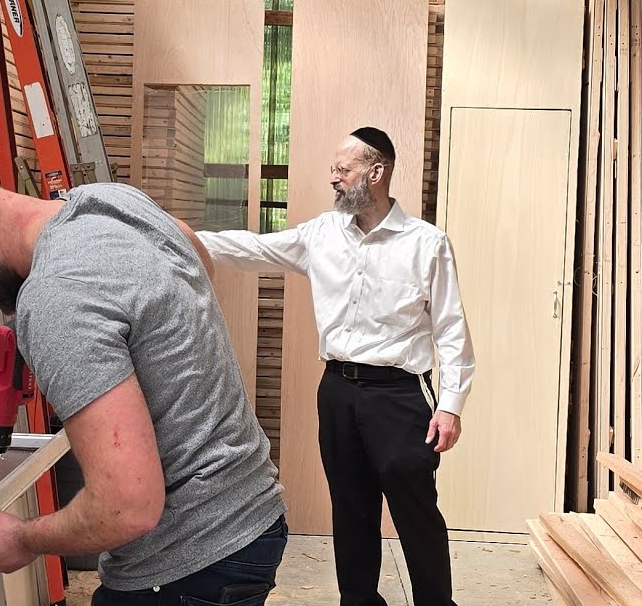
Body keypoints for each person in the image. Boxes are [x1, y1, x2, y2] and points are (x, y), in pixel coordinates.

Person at [0, 156, 288, 605]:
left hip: (189, 559)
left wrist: (21, 540)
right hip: (252, 511)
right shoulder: (110, 200)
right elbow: (191, 247)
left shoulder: (56, 296)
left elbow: (126, 507)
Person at [194, 127, 475, 606]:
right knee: (351, 509)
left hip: (401, 395)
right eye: (334, 170)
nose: (334, 179)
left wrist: (450, 406)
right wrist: (185, 238)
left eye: (343, 170)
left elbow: (451, 329)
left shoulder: (426, 244)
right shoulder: (321, 234)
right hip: (338, 391)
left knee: (416, 513)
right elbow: (254, 248)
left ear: (376, 172)